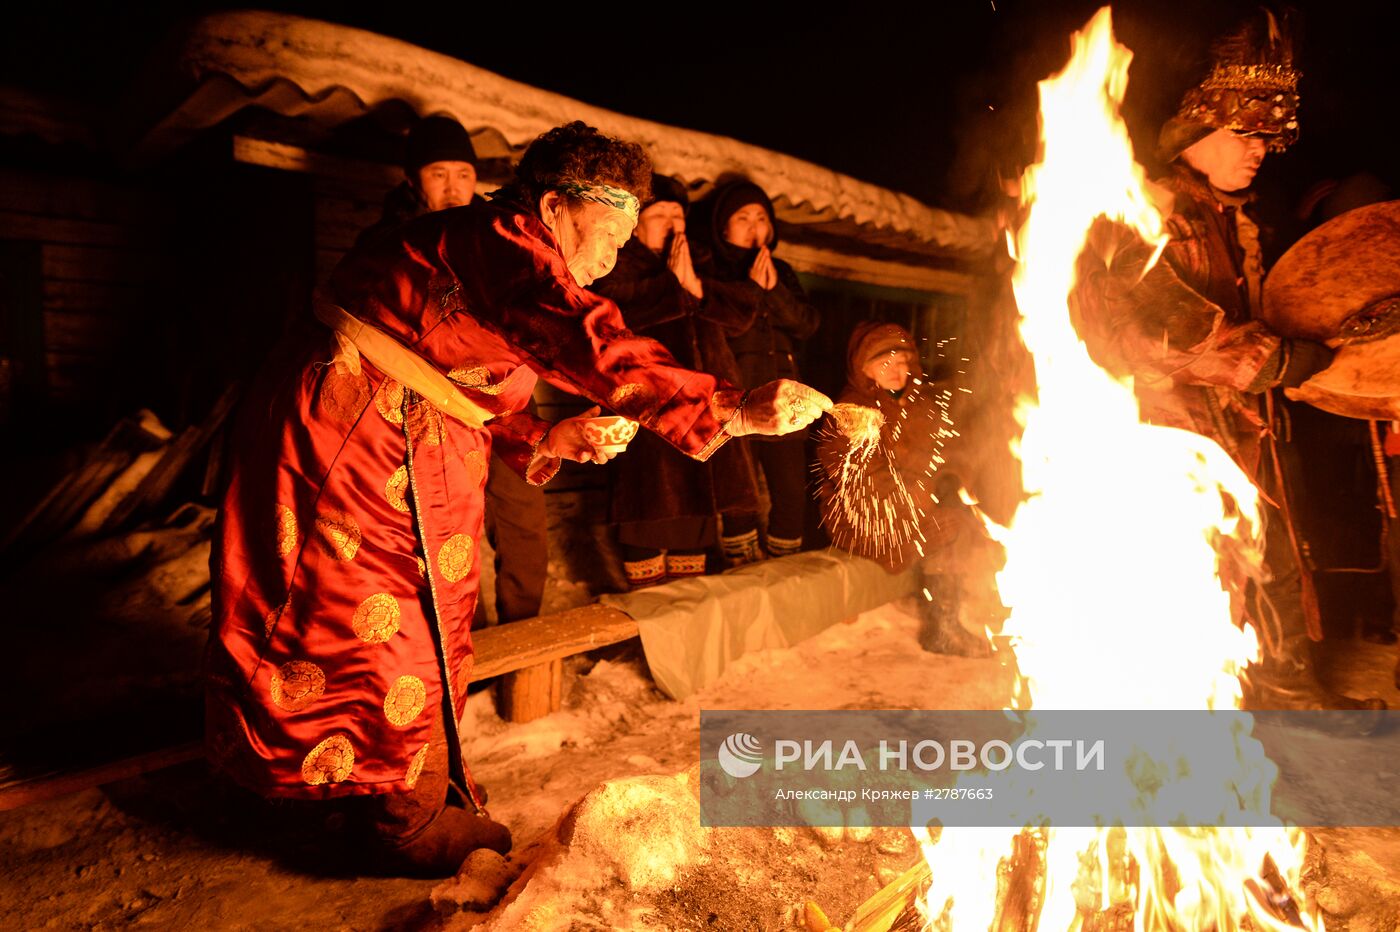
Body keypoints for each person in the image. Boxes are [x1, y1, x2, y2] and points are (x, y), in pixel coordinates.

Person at [205, 121, 831, 877]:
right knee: (372, 621)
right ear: (557, 203)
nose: (613, 256)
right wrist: (729, 408)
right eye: (608, 232)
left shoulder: (492, 253)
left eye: (628, 238)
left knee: (415, 617)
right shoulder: (507, 239)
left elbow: (456, 385)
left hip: (407, 432)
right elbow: (588, 337)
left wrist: (548, 440)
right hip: (349, 438)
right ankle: (400, 820)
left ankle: (371, 789)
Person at [1072, 12, 1383, 712]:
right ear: (1196, 129)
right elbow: (1145, 328)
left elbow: (1282, 313)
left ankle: (1285, 684)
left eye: (1270, 137)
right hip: (1168, 429)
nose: (1261, 151)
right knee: (1185, 569)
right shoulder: (1135, 209)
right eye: (1245, 133)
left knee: (1269, 551)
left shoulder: (1238, 219)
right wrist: (1270, 361)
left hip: (1246, 426)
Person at [358, 115, 549, 626]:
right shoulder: (388, 243)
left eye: (462, 173)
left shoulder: (501, 238)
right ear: (414, 181)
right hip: (424, 409)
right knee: (443, 535)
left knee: (524, 522)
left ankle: (523, 638)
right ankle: (467, 651)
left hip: (505, 408)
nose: (452, 187)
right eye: (438, 173)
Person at [590, 174, 763, 586]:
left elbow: (739, 316)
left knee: (695, 510)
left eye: (678, 215)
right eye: (660, 214)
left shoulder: (699, 262)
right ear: (636, 222)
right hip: (646, 412)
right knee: (650, 508)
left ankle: (687, 630)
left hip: (704, 411)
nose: (671, 223)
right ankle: (648, 627)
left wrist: (694, 287)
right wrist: (672, 287)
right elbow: (611, 319)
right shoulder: (617, 263)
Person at [816, 322, 995, 656]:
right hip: (865, 516)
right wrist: (918, 496)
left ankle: (986, 608)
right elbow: (861, 478)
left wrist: (952, 480)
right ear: (864, 368)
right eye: (886, 363)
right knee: (946, 528)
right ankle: (942, 629)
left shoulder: (921, 404)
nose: (898, 371)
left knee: (970, 519)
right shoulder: (852, 413)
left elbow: (953, 452)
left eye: (902, 362)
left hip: (916, 502)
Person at [699, 177, 820, 562]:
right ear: (722, 226)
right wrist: (751, 290)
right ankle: (743, 573)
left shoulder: (780, 271)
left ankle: (784, 571)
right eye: (744, 218)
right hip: (737, 402)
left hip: (787, 401)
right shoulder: (711, 269)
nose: (755, 227)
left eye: (762, 218)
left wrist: (774, 291)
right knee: (741, 498)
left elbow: (807, 324)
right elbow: (716, 326)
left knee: (790, 493)